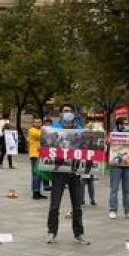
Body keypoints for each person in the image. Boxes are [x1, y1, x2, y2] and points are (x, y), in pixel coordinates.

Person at [46, 104, 90, 245]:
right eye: (65, 111)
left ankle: (79, 233)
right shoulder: (53, 129)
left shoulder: (80, 129)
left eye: (70, 111)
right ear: (60, 114)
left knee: (77, 205)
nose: (68, 113)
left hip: (75, 171)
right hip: (59, 171)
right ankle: (52, 232)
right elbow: (47, 146)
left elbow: (86, 147)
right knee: (54, 204)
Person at [109, 117, 129, 220]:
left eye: (127, 123)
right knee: (114, 189)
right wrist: (109, 142)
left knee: (127, 190)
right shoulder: (113, 134)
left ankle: (128, 211)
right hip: (116, 166)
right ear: (119, 125)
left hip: (128, 165)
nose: (126, 126)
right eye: (124, 124)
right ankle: (113, 210)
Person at [28, 118, 48, 200]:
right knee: (36, 174)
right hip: (35, 154)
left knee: (40, 174)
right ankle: (35, 192)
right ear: (33, 123)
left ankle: (38, 192)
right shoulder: (32, 130)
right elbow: (41, 136)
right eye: (35, 122)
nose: (37, 123)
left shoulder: (43, 130)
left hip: (41, 154)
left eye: (39, 122)